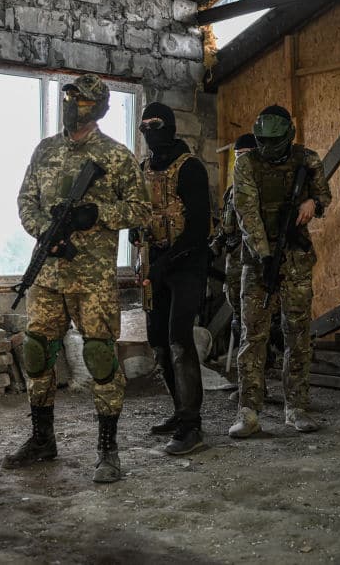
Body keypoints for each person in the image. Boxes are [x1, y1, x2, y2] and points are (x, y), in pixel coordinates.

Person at [3, 73, 150, 483]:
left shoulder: (116, 156)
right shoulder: (45, 150)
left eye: (80, 101)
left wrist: (99, 214)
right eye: (68, 98)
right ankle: (42, 439)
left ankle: (107, 450)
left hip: (93, 279)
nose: (72, 106)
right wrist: (42, 233)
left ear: (98, 107)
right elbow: (26, 200)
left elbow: (142, 209)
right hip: (48, 274)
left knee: (101, 358)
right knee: (37, 355)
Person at [229, 105, 331, 438]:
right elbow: (246, 212)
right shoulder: (246, 163)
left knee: (297, 334)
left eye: (274, 141)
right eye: (262, 141)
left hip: (296, 257)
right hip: (259, 261)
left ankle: (296, 407)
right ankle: (249, 411)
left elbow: (324, 194)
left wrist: (312, 203)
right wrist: (264, 255)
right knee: (253, 335)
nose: (268, 148)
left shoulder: (307, 159)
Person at [135, 102, 211, 455]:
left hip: (186, 265)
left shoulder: (190, 167)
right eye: (145, 125)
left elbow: (198, 227)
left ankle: (191, 424)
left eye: (157, 124)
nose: (151, 131)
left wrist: (169, 260)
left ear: (170, 126)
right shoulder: (144, 168)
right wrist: (137, 237)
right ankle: (179, 412)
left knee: (180, 338)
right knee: (159, 342)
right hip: (154, 265)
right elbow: (137, 213)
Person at [209, 133, 257, 365]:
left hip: (254, 265)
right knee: (239, 321)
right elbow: (226, 227)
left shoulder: (263, 190)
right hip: (233, 267)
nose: (240, 161)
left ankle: (262, 374)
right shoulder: (231, 192)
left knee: (257, 323)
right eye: (237, 156)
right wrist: (215, 245)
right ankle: (246, 379)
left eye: (246, 155)